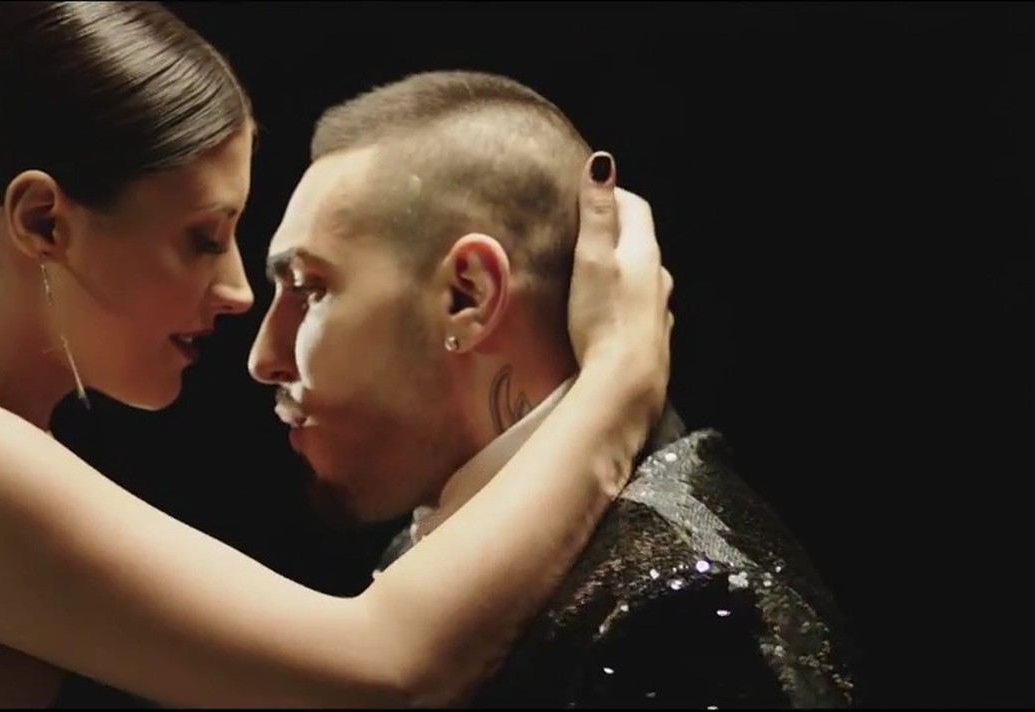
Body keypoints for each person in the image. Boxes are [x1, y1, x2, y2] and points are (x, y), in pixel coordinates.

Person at [0, 3, 675, 709]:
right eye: (203, 238)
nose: (239, 292)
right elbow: (384, 671)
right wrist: (623, 375)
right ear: (43, 220)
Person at [249, 70, 861, 708]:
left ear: (468, 294)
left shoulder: (688, 612)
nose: (263, 359)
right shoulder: (445, 537)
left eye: (308, 289)